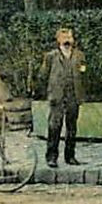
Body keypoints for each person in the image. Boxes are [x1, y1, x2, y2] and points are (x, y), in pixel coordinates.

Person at [37, 27, 86, 168]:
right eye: (64, 38)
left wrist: (80, 92)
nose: (67, 41)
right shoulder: (51, 56)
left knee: (72, 127)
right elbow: (43, 75)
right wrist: (49, 91)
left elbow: (84, 73)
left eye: (69, 37)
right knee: (54, 126)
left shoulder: (79, 56)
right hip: (57, 96)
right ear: (58, 40)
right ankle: (51, 157)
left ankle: (70, 156)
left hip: (73, 95)